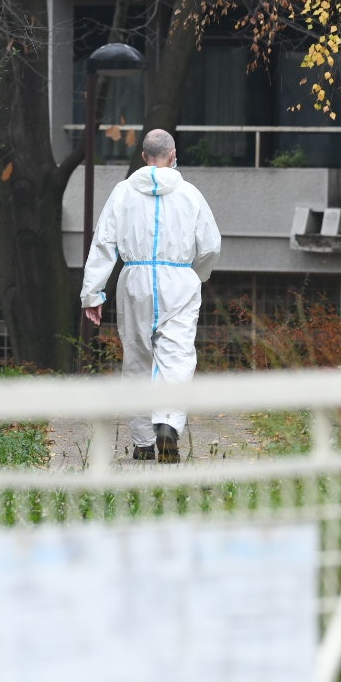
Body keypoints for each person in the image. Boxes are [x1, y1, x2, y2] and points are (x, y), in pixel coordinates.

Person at [80, 129, 221, 463]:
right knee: (177, 357)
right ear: (173, 155)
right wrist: (196, 274)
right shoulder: (190, 194)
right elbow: (211, 245)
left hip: (135, 279)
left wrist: (93, 294)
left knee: (138, 358)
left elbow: (104, 243)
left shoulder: (123, 192)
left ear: (144, 157)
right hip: (179, 279)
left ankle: (143, 442)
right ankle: (168, 424)